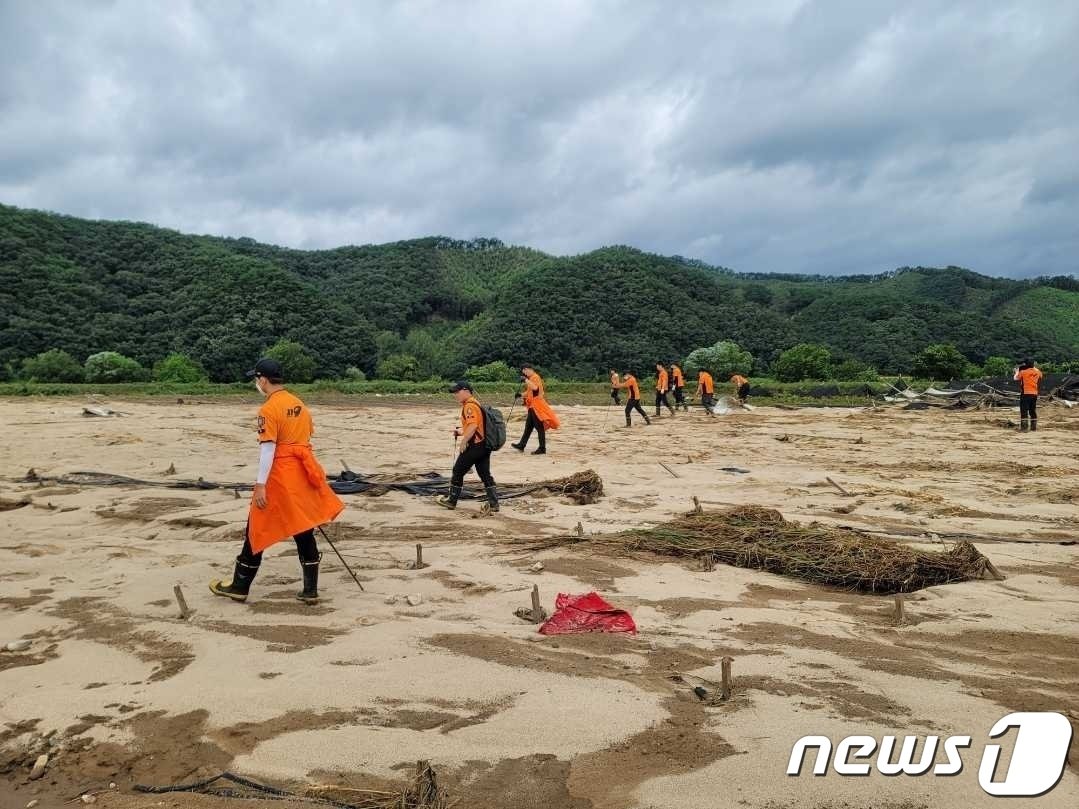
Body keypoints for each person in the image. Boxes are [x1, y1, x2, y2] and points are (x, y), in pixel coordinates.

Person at [210, 358, 344, 604]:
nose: (256, 383)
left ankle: (240, 586)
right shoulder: (299, 404)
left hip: (279, 475)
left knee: (256, 527)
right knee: (303, 527)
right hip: (301, 474)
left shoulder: (269, 409)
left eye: (256, 379)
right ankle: (310, 590)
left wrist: (261, 484)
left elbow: (268, 449)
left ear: (263, 380)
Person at [436, 381, 499, 512]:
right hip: (484, 446)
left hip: (475, 446)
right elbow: (476, 426)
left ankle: (451, 501)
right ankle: (494, 504)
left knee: (458, 471)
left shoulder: (469, 406)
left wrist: (464, 441)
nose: (455, 395)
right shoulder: (476, 403)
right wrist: (461, 432)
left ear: (466, 390)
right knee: (484, 474)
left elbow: (473, 426)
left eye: (457, 392)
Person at [511, 365, 560, 454]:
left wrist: (525, 380)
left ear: (528, 369)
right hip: (532, 406)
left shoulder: (535, 377)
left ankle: (542, 448)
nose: (525, 374)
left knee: (539, 427)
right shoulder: (531, 378)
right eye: (524, 373)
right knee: (528, 427)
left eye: (525, 372)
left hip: (536, 406)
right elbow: (530, 392)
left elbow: (535, 388)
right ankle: (522, 445)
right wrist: (520, 395)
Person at [1013, 359, 1043, 432]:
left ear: (1025, 364)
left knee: (1024, 410)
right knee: (1032, 410)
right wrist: (1032, 367)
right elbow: (1040, 374)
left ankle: (1024, 428)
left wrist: (1017, 371)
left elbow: (1015, 378)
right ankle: (1033, 428)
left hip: (1025, 393)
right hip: (1034, 393)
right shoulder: (1038, 372)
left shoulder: (1023, 372)